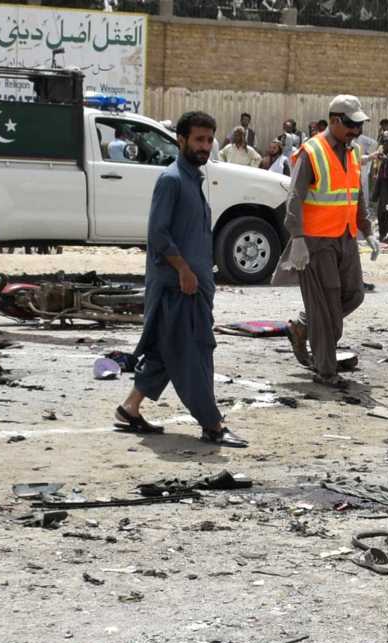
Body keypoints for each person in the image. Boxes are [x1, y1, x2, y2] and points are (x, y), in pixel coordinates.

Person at [115, 110, 245, 448]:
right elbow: (158, 234)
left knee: (165, 350)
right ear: (181, 140)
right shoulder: (171, 180)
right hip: (179, 286)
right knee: (194, 354)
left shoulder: (193, 179)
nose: (204, 146)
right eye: (198, 139)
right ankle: (213, 424)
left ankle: (130, 408)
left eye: (208, 140)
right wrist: (185, 271)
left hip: (194, 285)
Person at [283, 95, 373, 388]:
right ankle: (325, 370)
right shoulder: (312, 151)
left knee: (354, 295)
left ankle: (303, 327)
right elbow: (294, 197)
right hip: (317, 241)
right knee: (326, 308)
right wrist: (297, 238)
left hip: (345, 237)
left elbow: (356, 192)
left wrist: (367, 230)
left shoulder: (352, 151)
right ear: (335, 120)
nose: (356, 131)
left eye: (358, 126)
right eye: (351, 125)